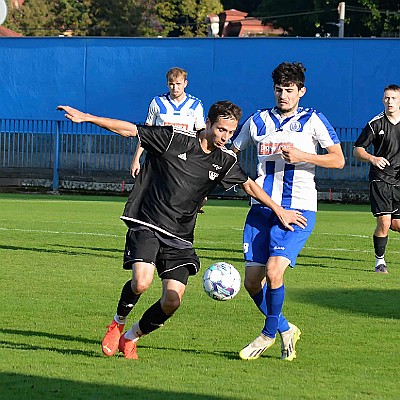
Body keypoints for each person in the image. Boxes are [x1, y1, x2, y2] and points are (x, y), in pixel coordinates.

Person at [57, 100, 307, 360]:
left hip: (180, 235)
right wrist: (87, 117)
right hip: (148, 222)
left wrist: (279, 210)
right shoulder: (174, 139)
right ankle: (117, 321)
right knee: (142, 282)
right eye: (221, 130)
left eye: (231, 132)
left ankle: (130, 337)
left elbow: (249, 186)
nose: (226, 137)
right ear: (208, 124)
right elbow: (130, 130)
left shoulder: (224, 161)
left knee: (172, 301)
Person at [231, 62, 345, 362]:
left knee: (273, 271)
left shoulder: (313, 120)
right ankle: (284, 328)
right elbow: (230, 152)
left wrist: (303, 156)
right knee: (252, 282)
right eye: (279, 90)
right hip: (261, 208)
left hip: (298, 208)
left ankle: (268, 334)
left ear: (301, 92)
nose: (283, 95)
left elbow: (338, 160)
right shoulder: (257, 121)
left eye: (290, 90)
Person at [131, 66, 208, 213]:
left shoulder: (195, 105)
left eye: (178, 84)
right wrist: (136, 159)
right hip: (159, 158)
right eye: (171, 84)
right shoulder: (157, 102)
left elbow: (201, 135)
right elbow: (146, 133)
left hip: (183, 158)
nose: (175, 87)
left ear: (185, 83)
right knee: (154, 196)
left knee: (186, 195)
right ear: (167, 84)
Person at [353, 84, 400, 274]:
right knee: (385, 222)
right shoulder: (375, 124)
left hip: (398, 180)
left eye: (394, 98)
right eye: (386, 98)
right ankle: (379, 262)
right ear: (383, 100)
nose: (390, 101)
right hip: (380, 178)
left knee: (397, 225)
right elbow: (357, 150)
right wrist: (373, 158)